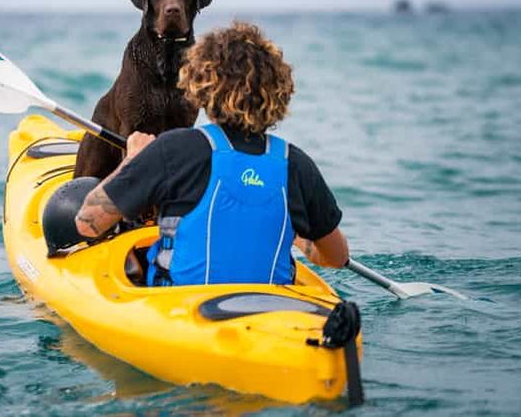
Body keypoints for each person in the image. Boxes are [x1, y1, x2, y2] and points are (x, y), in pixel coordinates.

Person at [74, 21, 348, 286]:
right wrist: (299, 238)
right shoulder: (296, 164)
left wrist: (133, 159)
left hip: (180, 308)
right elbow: (337, 257)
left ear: (201, 85)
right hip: (271, 310)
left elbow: (88, 223)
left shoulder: (173, 149)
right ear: (279, 91)